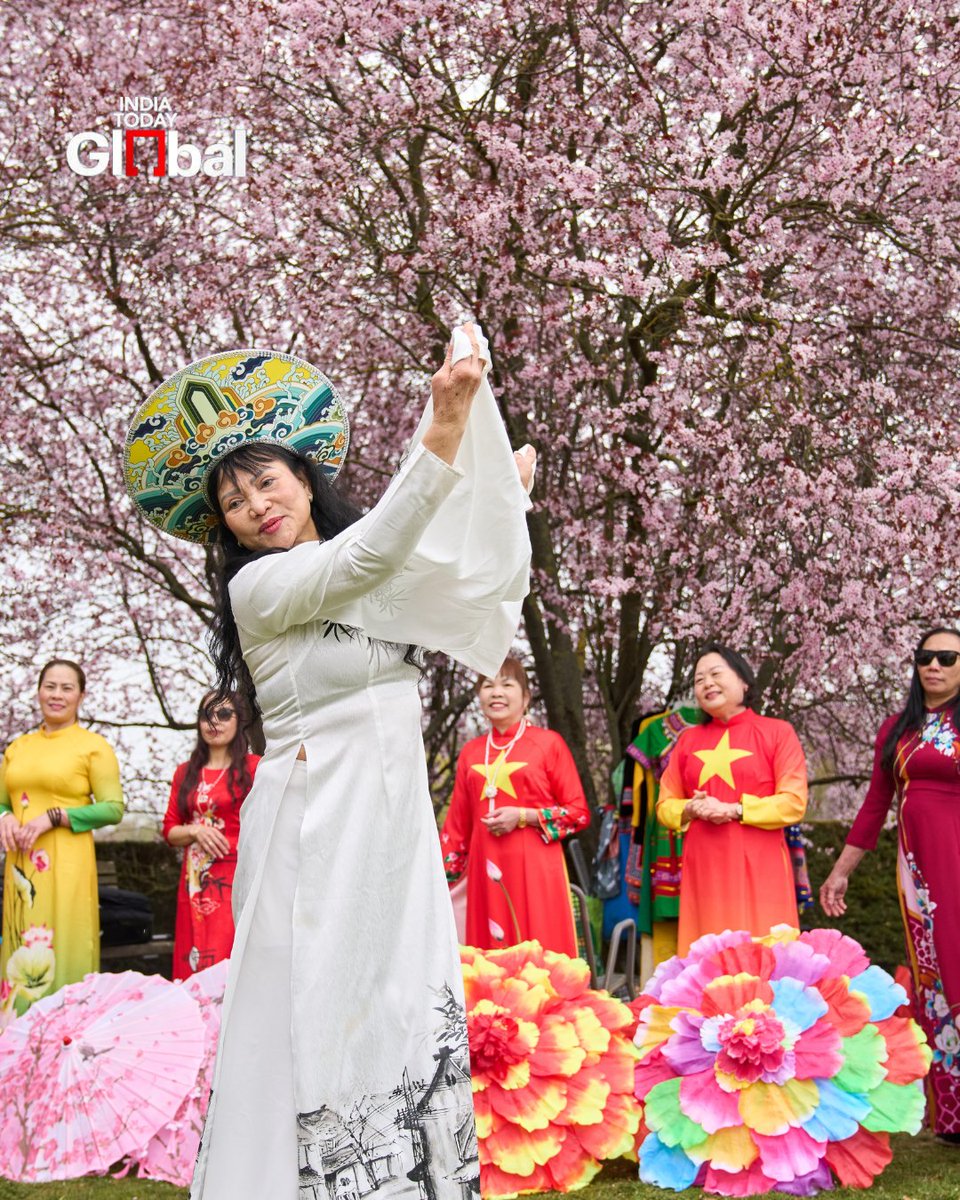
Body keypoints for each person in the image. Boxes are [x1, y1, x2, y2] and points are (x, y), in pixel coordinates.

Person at [123, 329, 532, 1200]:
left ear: (304, 477)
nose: (256, 506)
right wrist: (442, 427)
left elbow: (451, 575)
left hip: (389, 815)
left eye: (266, 480)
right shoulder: (259, 589)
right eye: (233, 502)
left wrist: (501, 494)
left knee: (399, 997)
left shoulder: (360, 578)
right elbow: (376, 549)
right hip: (317, 815)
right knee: (310, 1002)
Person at [820, 626, 960, 1145]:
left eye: (948, 657)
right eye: (926, 657)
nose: (935, 666)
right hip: (918, 876)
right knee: (936, 980)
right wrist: (841, 870)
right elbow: (876, 805)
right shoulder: (896, 730)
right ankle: (952, 1117)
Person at [656, 642, 808, 955]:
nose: (707, 683)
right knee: (708, 957)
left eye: (715, 674)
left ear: (743, 681)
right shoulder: (687, 741)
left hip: (761, 864)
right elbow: (665, 806)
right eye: (699, 680)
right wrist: (692, 807)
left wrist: (735, 809)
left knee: (765, 954)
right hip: (705, 868)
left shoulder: (778, 732)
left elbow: (793, 802)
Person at [439, 656, 590, 955]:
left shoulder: (548, 744)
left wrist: (525, 816)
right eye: (487, 685)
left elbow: (578, 813)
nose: (496, 692)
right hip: (484, 871)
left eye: (507, 684)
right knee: (489, 956)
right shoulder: (471, 752)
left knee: (540, 951)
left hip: (537, 868)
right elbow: (456, 830)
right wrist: (439, 880)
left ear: (526, 696)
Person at [0, 659, 124, 1014]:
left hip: (67, 863)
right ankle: (16, 1041)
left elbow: (113, 808)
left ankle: (67, 1031)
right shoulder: (17, 748)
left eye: (66, 688)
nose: (56, 695)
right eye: (49, 686)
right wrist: (5, 817)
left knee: (66, 940)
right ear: (38, 691)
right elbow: (0, 802)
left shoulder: (93, 747)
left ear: (81, 696)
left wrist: (54, 817)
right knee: (19, 943)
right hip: (21, 866)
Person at [162, 692, 259, 980]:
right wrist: (194, 830)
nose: (213, 722)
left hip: (237, 875)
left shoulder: (255, 767)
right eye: (207, 715)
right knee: (194, 957)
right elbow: (169, 829)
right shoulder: (186, 773)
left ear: (239, 721)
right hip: (194, 881)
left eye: (224, 714)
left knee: (226, 958)